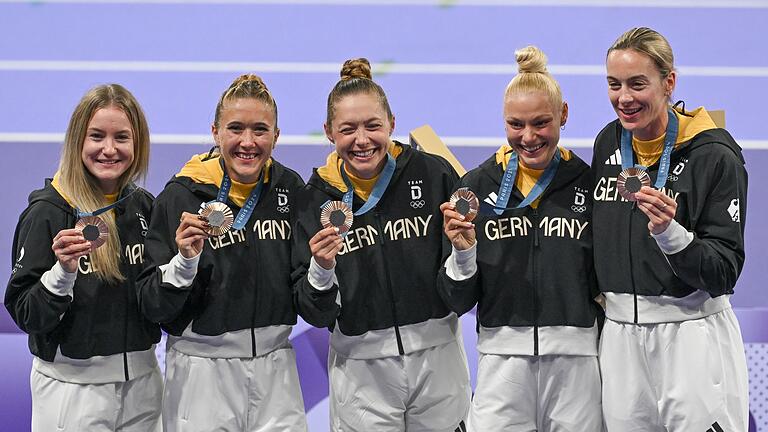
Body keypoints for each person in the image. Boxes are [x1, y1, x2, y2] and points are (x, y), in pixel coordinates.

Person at [291, 58, 471, 432]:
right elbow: (316, 313)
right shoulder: (313, 201)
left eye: (373, 126)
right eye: (348, 129)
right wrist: (321, 271)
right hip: (361, 374)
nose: (362, 140)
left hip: (438, 362)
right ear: (328, 131)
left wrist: (465, 252)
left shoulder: (433, 174)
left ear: (392, 122)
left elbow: (464, 292)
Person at [437, 46, 603, 432]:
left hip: (577, 363)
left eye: (541, 123)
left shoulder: (588, 183)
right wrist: (462, 255)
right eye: (516, 124)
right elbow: (457, 299)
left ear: (563, 115)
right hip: (501, 363)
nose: (528, 137)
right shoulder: (476, 188)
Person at [593, 27, 749, 431]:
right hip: (621, 339)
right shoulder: (607, 142)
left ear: (669, 82)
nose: (624, 98)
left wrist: (670, 233)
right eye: (614, 84)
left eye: (637, 84)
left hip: (691, 334)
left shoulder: (715, 155)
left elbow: (724, 271)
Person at [137, 74, 308, 432]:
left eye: (260, 130)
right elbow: (153, 306)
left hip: (276, 369)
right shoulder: (180, 197)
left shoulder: (290, 189)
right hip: (202, 373)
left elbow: (302, 282)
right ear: (215, 132)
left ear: (276, 136)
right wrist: (183, 263)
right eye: (236, 129)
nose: (248, 142)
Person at [5, 84, 161, 431]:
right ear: (78, 140)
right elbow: (25, 312)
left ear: (138, 144)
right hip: (71, 391)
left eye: (122, 137)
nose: (109, 149)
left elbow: (157, 300)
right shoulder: (48, 213)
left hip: (144, 384)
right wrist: (62, 273)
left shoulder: (143, 207)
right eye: (96, 136)